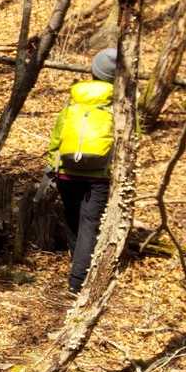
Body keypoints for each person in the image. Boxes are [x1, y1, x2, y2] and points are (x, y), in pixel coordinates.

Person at [47, 48, 117, 293]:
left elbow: (57, 135)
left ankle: (77, 262)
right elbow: (132, 138)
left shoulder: (75, 99)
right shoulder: (118, 104)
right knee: (89, 222)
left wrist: (52, 164)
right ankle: (78, 281)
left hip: (66, 171)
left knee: (72, 216)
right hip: (98, 174)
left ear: (94, 71)